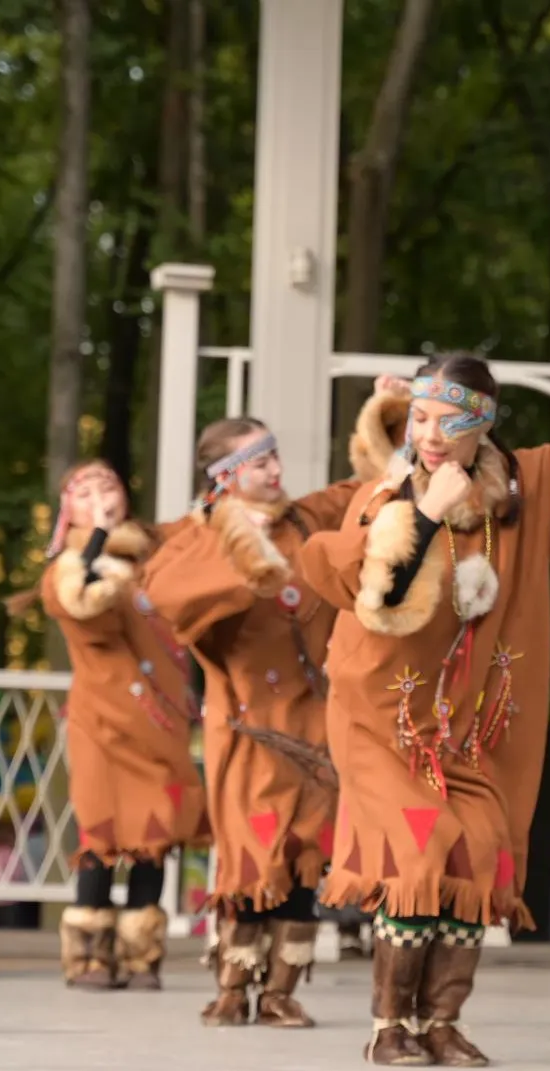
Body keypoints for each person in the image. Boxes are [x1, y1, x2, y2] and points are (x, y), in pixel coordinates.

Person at [296, 322, 550, 1067]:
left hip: (476, 725)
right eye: (419, 417)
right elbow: (365, 586)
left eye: (447, 419)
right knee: (419, 858)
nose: (429, 433)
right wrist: (423, 515)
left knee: (478, 854)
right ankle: (390, 1025)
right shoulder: (386, 495)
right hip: (383, 717)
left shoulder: (530, 488)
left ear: (482, 422)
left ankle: (439, 1023)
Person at [139, 389, 405, 1028]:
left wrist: (388, 412)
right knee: (249, 856)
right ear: (226, 476)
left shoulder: (307, 519)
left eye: (275, 456)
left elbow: (374, 483)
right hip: (247, 725)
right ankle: (233, 985)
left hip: (314, 720)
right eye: (259, 462)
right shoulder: (198, 537)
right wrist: (247, 568)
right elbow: (164, 594)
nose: (275, 470)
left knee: (306, 855)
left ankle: (282, 991)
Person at [25, 460, 206, 992]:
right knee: (102, 830)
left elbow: (202, 529)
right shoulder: (67, 567)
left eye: (110, 484)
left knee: (156, 830)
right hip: (103, 718)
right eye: (86, 490)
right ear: (69, 510)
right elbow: (81, 603)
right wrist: (98, 536)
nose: (101, 493)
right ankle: (88, 956)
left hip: (160, 718)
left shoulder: (154, 556)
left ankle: (141, 954)